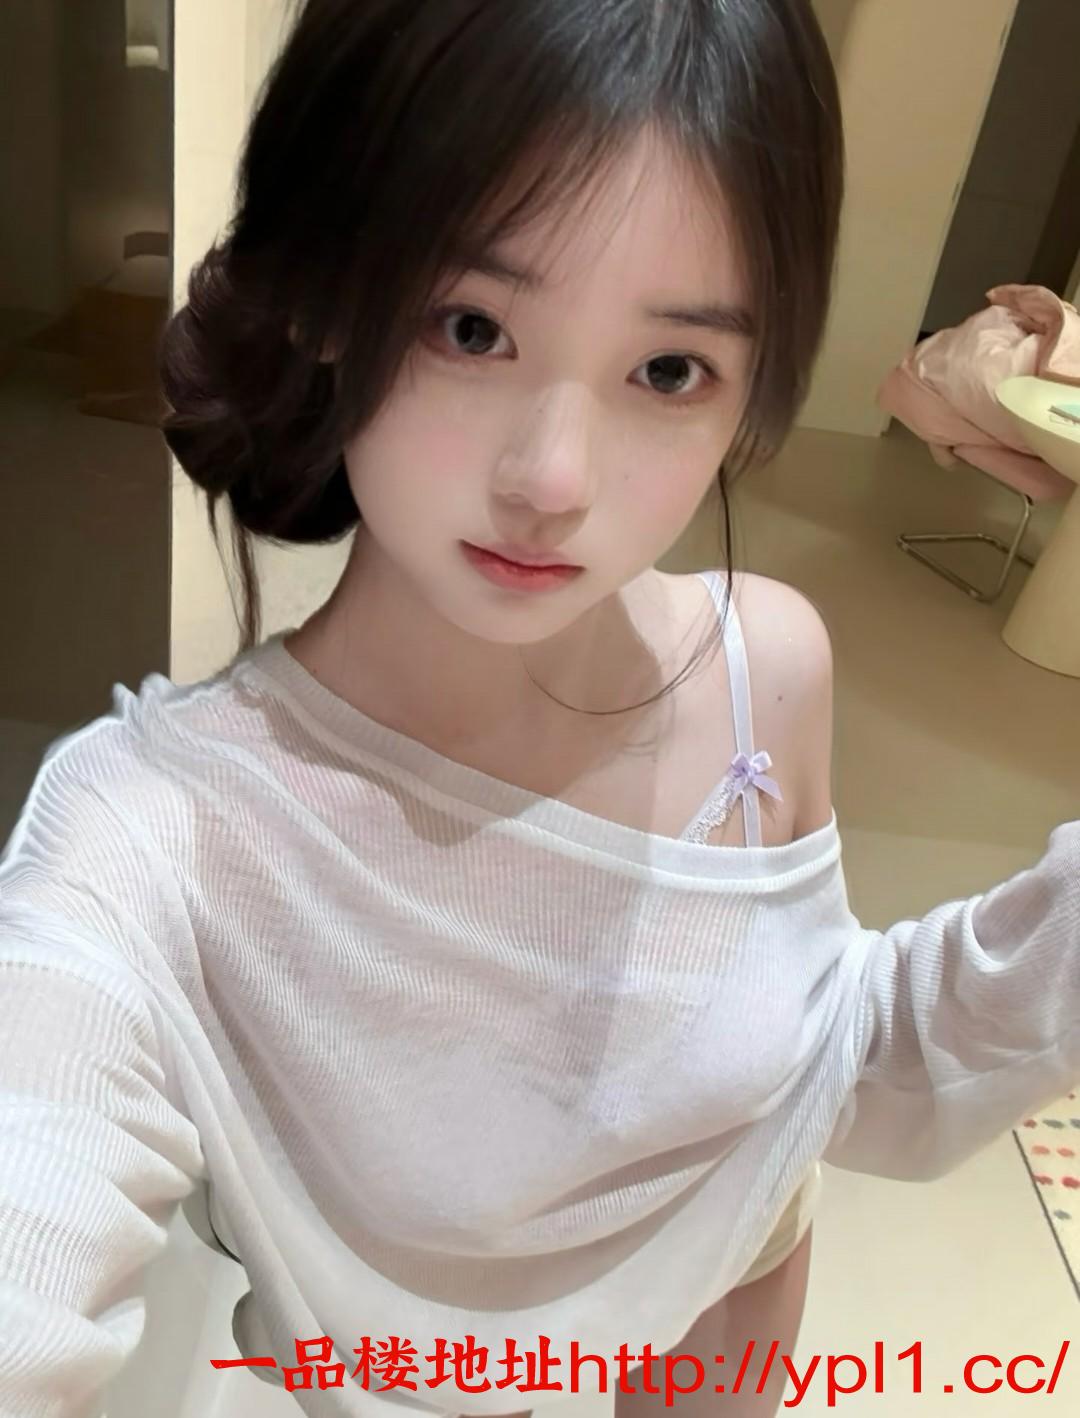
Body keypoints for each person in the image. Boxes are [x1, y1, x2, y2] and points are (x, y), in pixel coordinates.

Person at [0, 2, 1076, 1416]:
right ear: (324, 295)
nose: (554, 480)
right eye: (472, 327)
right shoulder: (153, 836)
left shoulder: (763, 669)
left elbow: (821, 1067)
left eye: (670, 369)